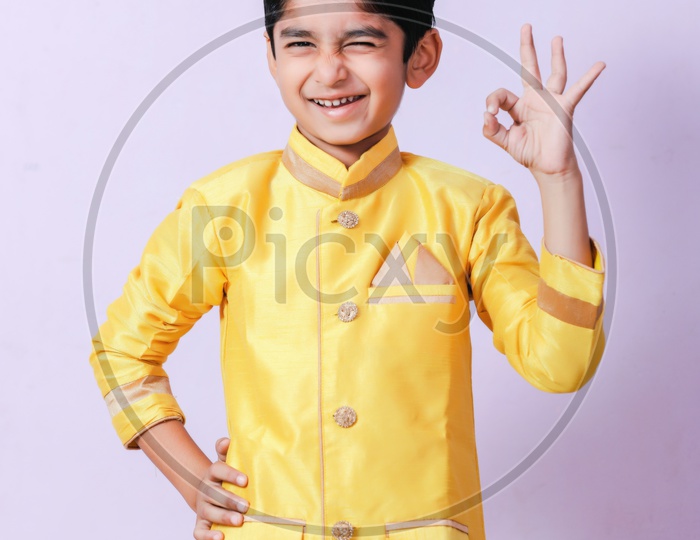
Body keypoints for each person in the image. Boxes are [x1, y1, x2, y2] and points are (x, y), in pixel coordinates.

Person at [88, 1, 607, 539]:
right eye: (300, 43)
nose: (330, 69)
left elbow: (560, 364)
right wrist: (192, 478)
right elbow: (122, 352)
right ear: (270, 55)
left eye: (361, 41)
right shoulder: (223, 207)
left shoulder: (468, 207)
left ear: (420, 55)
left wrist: (559, 179)